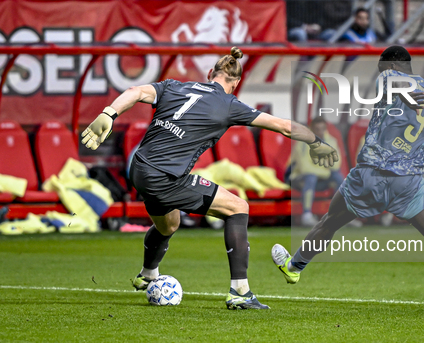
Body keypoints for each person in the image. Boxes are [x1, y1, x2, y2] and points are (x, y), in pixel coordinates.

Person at [82, 47, 338, 310]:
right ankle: (240, 292)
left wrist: (108, 113)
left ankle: (147, 274)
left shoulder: (174, 86)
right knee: (238, 208)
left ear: (209, 74)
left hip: (139, 168)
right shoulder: (229, 104)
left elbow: (135, 92)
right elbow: (284, 126)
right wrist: (317, 142)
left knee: (169, 225)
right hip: (165, 176)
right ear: (235, 83)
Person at [271, 45, 424, 289]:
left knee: (328, 224)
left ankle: (294, 267)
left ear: (391, 64)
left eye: (381, 67)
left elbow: (390, 84)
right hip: (409, 183)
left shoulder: (390, 76)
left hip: (371, 175)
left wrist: (403, 95)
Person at [289, 117, 344, 227]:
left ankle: (339, 214)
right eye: (317, 129)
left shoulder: (331, 141)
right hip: (298, 179)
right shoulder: (302, 143)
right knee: (311, 177)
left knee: (338, 177)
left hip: (321, 179)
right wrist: (325, 171)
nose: (320, 132)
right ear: (311, 129)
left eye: (322, 129)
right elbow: (304, 168)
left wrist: (326, 171)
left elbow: (336, 164)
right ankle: (307, 215)